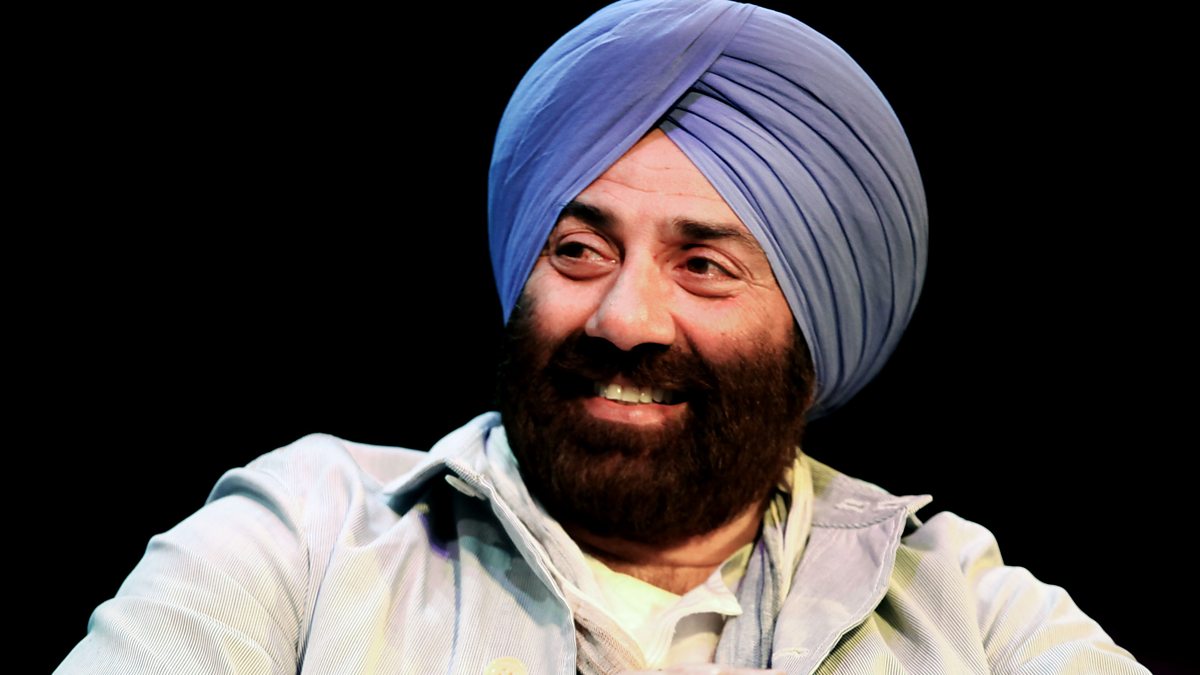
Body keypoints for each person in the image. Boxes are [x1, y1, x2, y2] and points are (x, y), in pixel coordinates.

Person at [58, 1, 1149, 673]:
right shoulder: (302, 538)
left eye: (703, 266)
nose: (623, 318)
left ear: (814, 328)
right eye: (579, 251)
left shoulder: (967, 605)